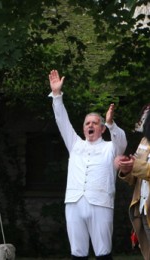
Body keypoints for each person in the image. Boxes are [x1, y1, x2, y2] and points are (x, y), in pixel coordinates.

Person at [48, 69, 126, 260]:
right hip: (74, 202)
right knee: (77, 252)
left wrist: (111, 123)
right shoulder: (75, 144)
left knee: (103, 252)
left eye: (95, 123)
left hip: (100, 202)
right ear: (83, 128)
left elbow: (122, 142)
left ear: (101, 128)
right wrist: (57, 95)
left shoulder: (110, 147)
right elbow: (62, 121)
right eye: (87, 123)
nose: (90, 125)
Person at [116, 105, 150, 260]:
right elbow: (135, 177)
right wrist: (126, 168)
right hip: (142, 208)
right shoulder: (144, 141)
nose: (141, 120)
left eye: (145, 117)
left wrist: (135, 165)